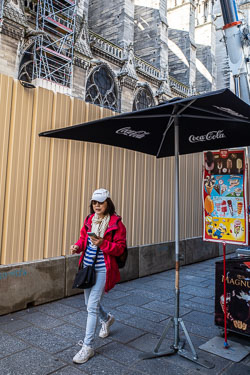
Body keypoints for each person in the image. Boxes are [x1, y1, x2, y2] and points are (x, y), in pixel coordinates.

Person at [70, 188, 126, 364]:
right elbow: (83, 239)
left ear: (107, 203)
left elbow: (120, 248)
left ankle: (88, 347)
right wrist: (77, 247)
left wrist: (103, 243)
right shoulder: (89, 220)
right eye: (94, 202)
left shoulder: (117, 224)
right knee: (89, 304)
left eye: (100, 202)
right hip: (87, 267)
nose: (97, 205)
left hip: (103, 269)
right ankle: (107, 319)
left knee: (91, 306)